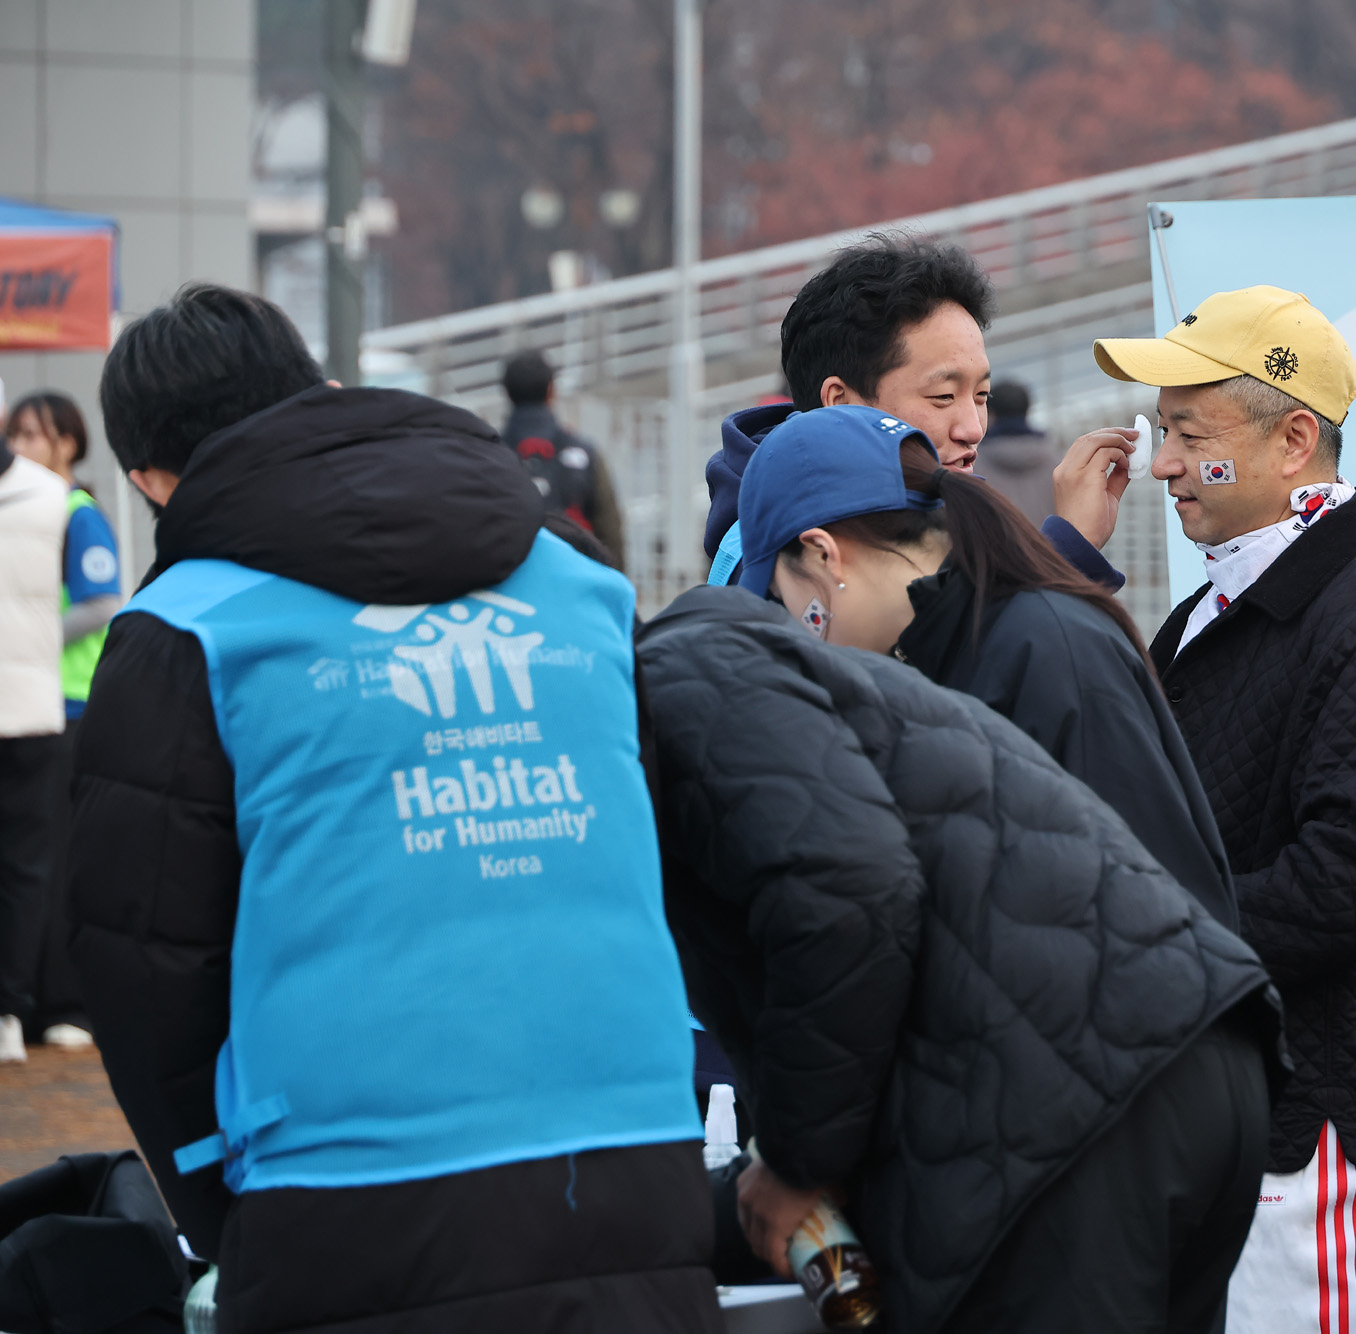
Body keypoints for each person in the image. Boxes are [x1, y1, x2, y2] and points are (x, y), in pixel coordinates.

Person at [72, 284, 722, 1333]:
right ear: (318, 390)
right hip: (633, 1164)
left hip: (346, 1194)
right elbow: (653, 844)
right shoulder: (578, 576)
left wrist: (214, 1202)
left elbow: (140, 958)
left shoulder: (183, 629)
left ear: (150, 477)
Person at [636, 584, 1280, 1333]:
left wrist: (794, 1162)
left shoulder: (679, 676)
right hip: (1176, 1058)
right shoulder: (771, 677)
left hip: (1074, 1110)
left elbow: (849, 895)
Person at [1089, 286, 1356, 1333]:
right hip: (1269, 1102)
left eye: (1189, 433)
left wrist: (1161, 942)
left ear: (1291, 438)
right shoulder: (1218, 602)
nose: (1162, 464)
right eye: (1161, 433)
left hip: (1336, 1114)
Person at [735, 402, 1233, 926]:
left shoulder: (1040, 646)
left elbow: (1162, 913)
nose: (795, 623)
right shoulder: (942, 644)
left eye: (780, 593)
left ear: (821, 555)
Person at [702, 234, 1127, 591]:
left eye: (982, 396)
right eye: (942, 396)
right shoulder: (779, 564)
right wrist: (1069, 549)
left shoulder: (952, 515)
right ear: (839, 402)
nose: (973, 429)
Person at [4, 391, 120, 1050]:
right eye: (15, 434)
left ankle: (67, 1003)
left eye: (34, 435)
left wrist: (29, 641)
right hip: (27, 704)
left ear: (69, 442)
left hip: (67, 703)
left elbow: (102, 601)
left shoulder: (75, 512)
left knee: (54, 862)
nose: (21, 447)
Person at [0, 429, 68, 1067]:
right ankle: (10, 1014)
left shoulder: (54, 498)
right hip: (30, 705)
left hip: (31, 707)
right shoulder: (54, 496)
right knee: (24, 870)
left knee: (24, 870)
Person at [500, 349, 627, 566]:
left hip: (511, 584)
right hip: (575, 578)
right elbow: (610, 530)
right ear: (551, 390)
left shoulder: (491, 455)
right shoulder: (584, 453)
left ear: (507, 393)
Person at [977, 381, 1059, 525]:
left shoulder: (973, 466)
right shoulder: (1057, 462)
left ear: (991, 413)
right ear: (1027, 411)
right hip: (1049, 546)